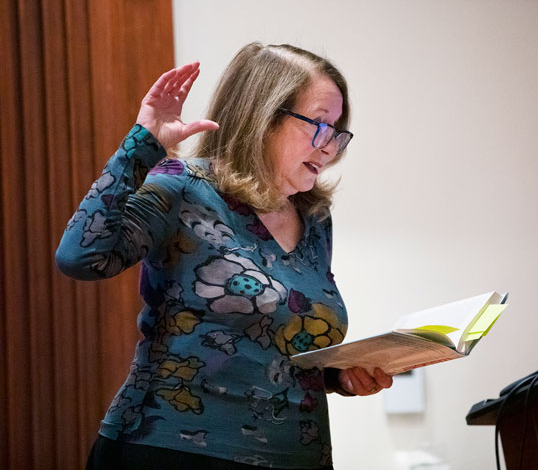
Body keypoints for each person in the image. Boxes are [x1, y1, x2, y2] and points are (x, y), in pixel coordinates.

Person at [55, 42, 392, 469]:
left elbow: (272, 342)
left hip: (297, 455)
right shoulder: (182, 187)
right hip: (173, 450)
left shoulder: (315, 220)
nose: (330, 147)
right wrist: (142, 146)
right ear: (264, 117)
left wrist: (338, 375)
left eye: (338, 131)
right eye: (319, 125)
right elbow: (80, 258)